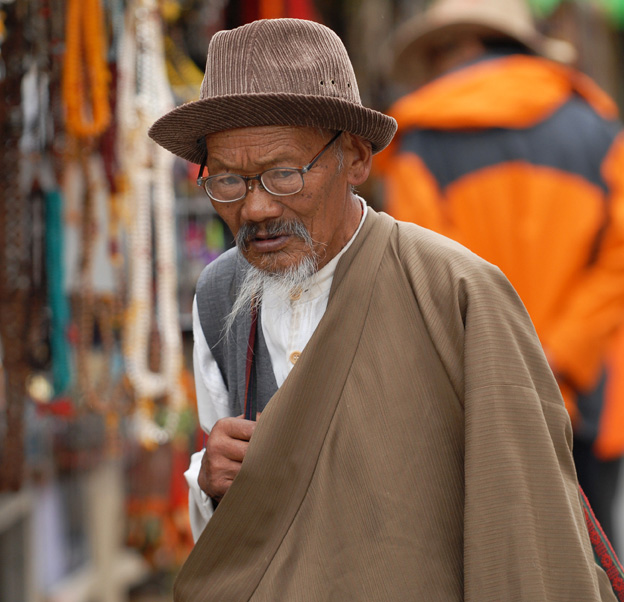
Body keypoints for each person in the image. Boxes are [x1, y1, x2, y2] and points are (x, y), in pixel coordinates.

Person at [149, 17, 618, 601]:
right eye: (227, 181)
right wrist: (209, 480)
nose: (256, 208)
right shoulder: (220, 296)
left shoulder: (452, 289)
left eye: (283, 173)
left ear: (356, 157)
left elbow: (521, 534)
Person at [377, 0, 624, 555]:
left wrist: (506, 367)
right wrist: (561, 357)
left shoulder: (421, 142)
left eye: (439, 54)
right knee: (591, 564)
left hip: (478, 400)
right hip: (591, 396)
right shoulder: (599, 129)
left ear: (463, 47)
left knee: (489, 560)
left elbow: (423, 280)